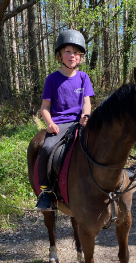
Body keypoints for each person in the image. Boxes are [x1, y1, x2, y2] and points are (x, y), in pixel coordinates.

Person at [36, 29, 95, 211]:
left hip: (80, 123)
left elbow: (87, 103)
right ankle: (45, 192)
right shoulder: (52, 79)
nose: (72, 56)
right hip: (60, 124)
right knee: (46, 149)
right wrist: (50, 123)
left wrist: (86, 116)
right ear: (59, 55)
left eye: (76, 52)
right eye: (68, 51)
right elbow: (44, 107)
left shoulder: (84, 77)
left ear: (80, 57)